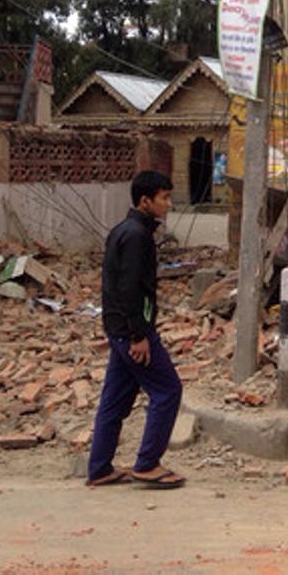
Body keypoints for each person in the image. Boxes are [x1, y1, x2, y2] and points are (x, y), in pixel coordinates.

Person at [86, 170, 185, 490]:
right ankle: (148, 463)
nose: (168, 204)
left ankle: (99, 468)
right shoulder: (136, 237)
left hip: (118, 330)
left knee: (114, 401)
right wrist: (138, 335)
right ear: (145, 201)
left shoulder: (125, 231)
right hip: (131, 332)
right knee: (168, 390)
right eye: (164, 198)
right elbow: (130, 290)